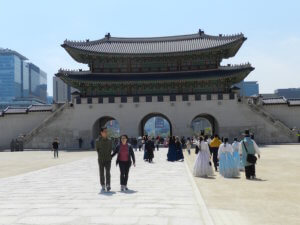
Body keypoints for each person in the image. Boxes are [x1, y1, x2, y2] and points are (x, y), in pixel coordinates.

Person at [95, 127, 114, 192]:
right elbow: (97, 149)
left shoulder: (110, 140)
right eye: (105, 131)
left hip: (108, 159)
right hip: (101, 159)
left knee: (108, 172)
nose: (106, 133)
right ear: (101, 133)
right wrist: (101, 155)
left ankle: (108, 184)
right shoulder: (98, 141)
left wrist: (110, 156)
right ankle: (103, 185)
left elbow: (111, 148)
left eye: (106, 131)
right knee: (101, 173)